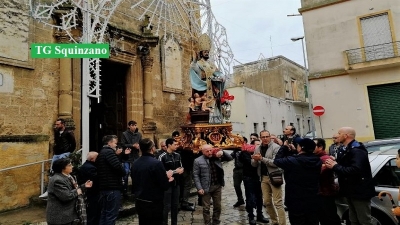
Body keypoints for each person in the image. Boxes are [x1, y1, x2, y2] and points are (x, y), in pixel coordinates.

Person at [325, 127, 375, 225]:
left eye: (339, 133)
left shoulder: (357, 150)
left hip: (359, 191)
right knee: (353, 219)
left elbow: (355, 169)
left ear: (346, 135)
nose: (337, 136)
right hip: (350, 190)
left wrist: (335, 166)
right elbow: (346, 165)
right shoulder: (345, 149)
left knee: (364, 220)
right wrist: (336, 162)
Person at [274, 138, 322, 225]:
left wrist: (284, 147)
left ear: (301, 148)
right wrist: (294, 152)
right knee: (312, 221)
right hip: (313, 197)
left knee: (297, 221)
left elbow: (277, 161)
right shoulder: (317, 160)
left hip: (295, 198)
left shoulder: (293, 160)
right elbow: (302, 159)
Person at [131, 138, 173, 225]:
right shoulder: (156, 163)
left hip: (140, 200)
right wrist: (168, 178)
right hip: (153, 202)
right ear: (152, 148)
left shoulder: (135, 163)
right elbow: (164, 185)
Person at [251, 130, 287, 225]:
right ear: (260, 138)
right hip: (263, 177)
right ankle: (274, 222)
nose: (265, 139)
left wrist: (261, 159)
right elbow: (254, 165)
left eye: (267, 136)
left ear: (270, 137)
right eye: (263, 137)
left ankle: (282, 223)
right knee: (267, 202)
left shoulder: (276, 147)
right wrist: (255, 160)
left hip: (275, 176)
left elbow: (275, 163)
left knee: (278, 203)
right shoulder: (258, 148)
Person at [189, 33, 226, 124]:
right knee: (202, 104)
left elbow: (218, 73)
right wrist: (194, 59)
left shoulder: (211, 64)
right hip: (203, 89)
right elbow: (193, 67)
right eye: (205, 52)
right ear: (201, 53)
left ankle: (215, 121)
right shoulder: (198, 63)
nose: (206, 53)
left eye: (207, 52)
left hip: (212, 90)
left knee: (214, 105)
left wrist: (221, 78)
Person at [193, 144, 233, 225]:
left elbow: (230, 158)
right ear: (202, 152)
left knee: (217, 206)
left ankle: (216, 221)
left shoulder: (216, 157)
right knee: (206, 208)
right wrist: (199, 188)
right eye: (207, 151)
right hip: (205, 187)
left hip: (217, 185)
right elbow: (195, 175)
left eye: (210, 150)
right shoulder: (197, 161)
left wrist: (222, 152)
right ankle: (207, 223)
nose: (209, 152)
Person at [46, 158, 92, 225]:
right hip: (60, 218)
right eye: (69, 165)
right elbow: (66, 196)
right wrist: (77, 191)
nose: (72, 166)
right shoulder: (57, 180)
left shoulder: (68, 176)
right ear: (62, 168)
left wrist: (83, 186)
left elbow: (72, 189)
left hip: (68, 216)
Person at [40, 118, 77, 199]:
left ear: (63, 124)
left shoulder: (69, 132)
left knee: (63, 170)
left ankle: (67, 187)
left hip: (65, 153)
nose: (56, 126)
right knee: (53, 170)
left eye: (58, 124)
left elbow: (73, 144)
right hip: (57, 154)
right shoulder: (57, 132)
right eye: (56, 124)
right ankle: (49, 190)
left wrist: (69, 152)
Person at [97, 135, 126, 225]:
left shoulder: (102, 152)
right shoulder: (109, 152)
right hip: (111, 187)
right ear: (109, 143)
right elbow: (118, 167)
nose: (116, 145)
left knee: (105, 214)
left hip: (105, 186)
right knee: (110, 215)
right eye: (115, 143)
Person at [239, 139, 269, 225]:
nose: (258, 146)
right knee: (250, 197)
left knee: (259, 197)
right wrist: (255, 158)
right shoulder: (245, 153)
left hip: (259, 177)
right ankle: (251, 216)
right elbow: (247, 161)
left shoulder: (261, 151)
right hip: (249, 177)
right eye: (256, 144)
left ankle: (260, 214)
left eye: (259, 144)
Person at [313, 138, 341, 225]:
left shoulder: (325, 158)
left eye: (313, 146)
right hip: (321, 193)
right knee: (323, 218)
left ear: (320, 147)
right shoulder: (317, 158)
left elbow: (318, 173)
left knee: (330, 218)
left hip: (326, 193)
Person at [158, 138, 184, 225]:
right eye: (175, 144)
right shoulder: (162, 157)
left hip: (177, 183)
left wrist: (173, 172)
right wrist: (174, 171)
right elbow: (161, 172)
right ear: (169, 145)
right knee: (166, 206)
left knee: (175, 205)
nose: (177, 146)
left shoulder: (177, 155)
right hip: (167, 184)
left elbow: (181, 168)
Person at [77, 152, 100, 225]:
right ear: (93, 159)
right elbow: (96, 180)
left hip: (90, 193)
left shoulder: (87, 166)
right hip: (92, 193)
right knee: (93, 214)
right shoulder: (91, 168)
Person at [120, 120, 142, 195]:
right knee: (126, 173)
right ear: (129, 126)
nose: (134, 127)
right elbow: (123, 144)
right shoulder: (124, 134)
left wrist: (139, 146)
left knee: (135, 173)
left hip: (135, 156)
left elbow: (141, 143)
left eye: (135, 125)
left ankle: (134, 190)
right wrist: (132, 145)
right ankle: (125, 190)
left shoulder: (138, 134)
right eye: (132, 125)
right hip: (127, 156)